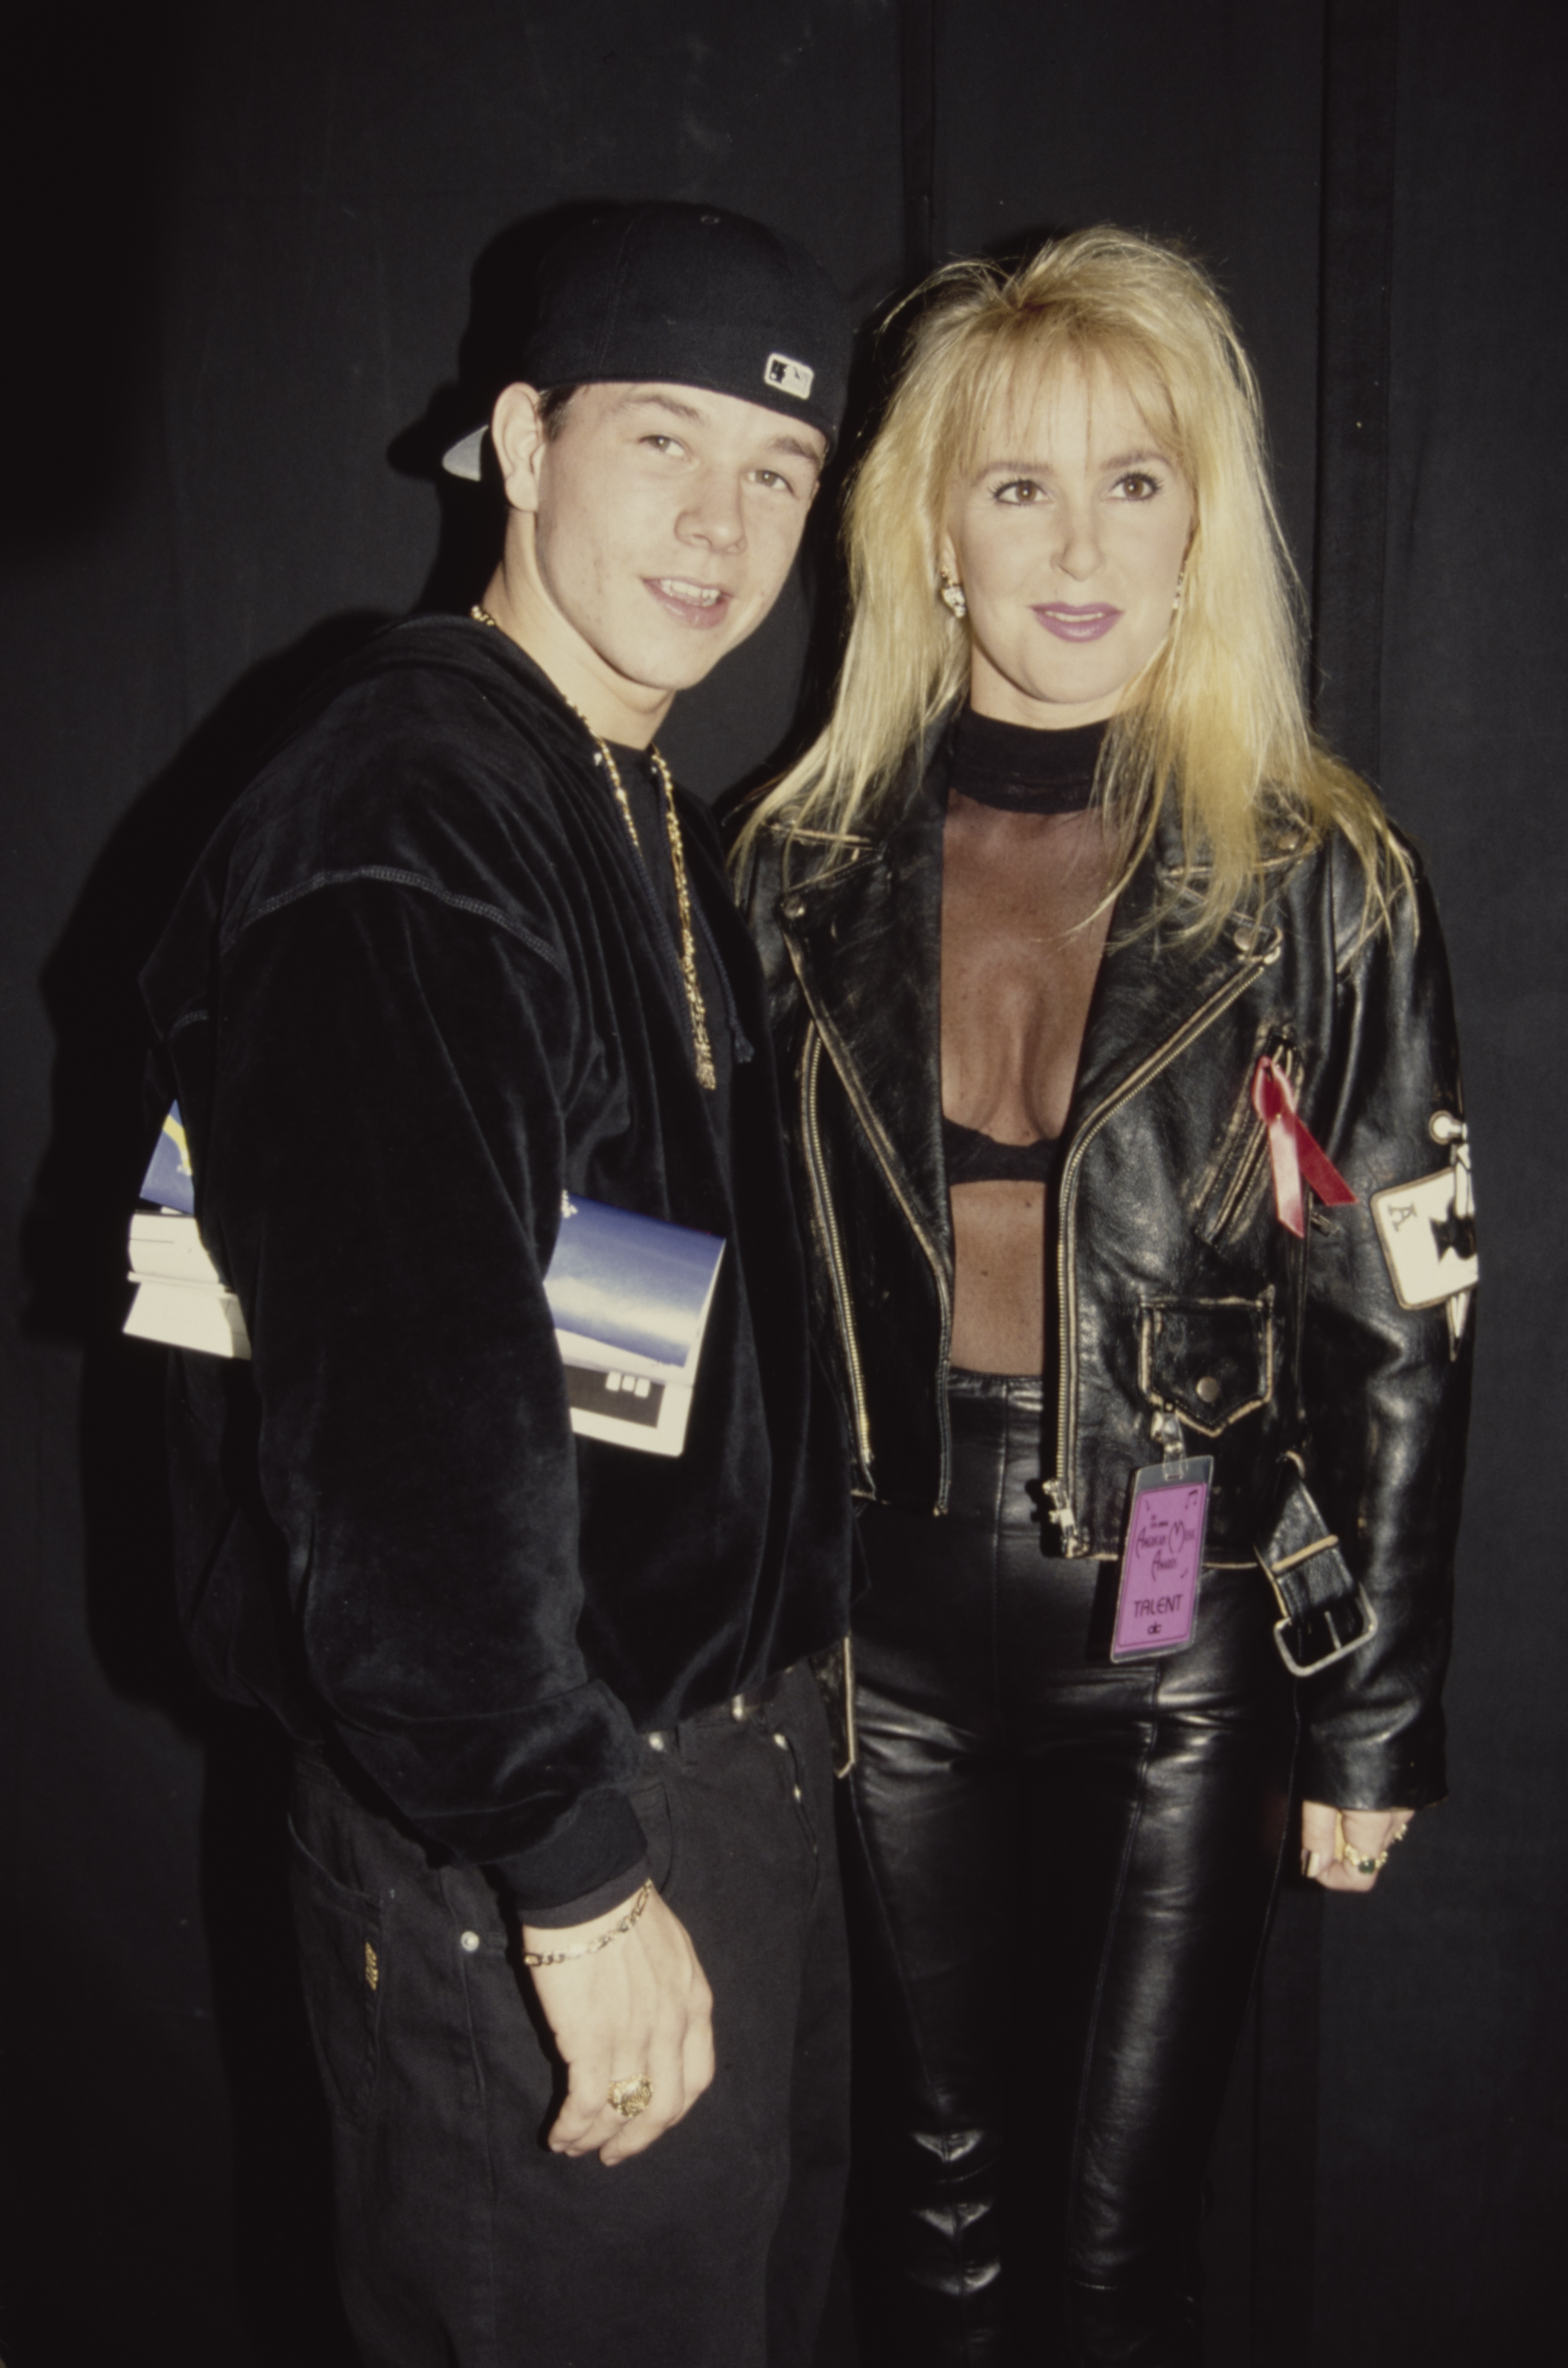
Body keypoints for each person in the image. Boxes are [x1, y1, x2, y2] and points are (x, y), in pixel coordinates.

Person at [735, 225, 1474, 2365]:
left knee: (1117, 2235)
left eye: (1131, 483)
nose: (1077, 545)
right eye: (1017, 485)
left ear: (1198, 530)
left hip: (1184, 1618)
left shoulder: (1318, 877)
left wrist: (1373, 1716)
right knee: (934, 2216)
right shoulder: (785, 866)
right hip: (875, 1640)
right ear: (932, 535)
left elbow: (1400, 1331)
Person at [140, 202, 857, 2368]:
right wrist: (568, 1872)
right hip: (527, 1829)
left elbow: (619, 1324)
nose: (720, 527)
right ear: (520, 444)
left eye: (777, 478)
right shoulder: (408, 808)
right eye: (662, 443)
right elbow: (396, 1413)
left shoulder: (617, 795)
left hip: (690, 1780)